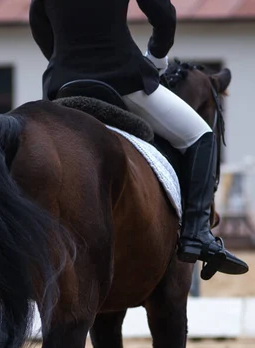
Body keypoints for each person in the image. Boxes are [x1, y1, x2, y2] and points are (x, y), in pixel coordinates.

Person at [29, 0, 249, 277]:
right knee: (200, 135)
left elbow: (38, 22)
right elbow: (164, 16)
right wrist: (155, 59)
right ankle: (197, 235)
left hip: (63, 82)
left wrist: (63, 60)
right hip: (123, 79)